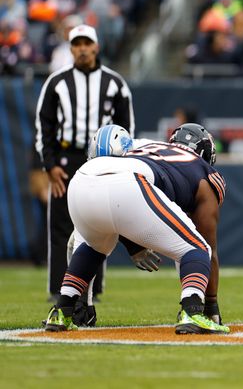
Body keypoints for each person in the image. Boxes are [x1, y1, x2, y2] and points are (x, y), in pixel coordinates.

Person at [44, 123, 228, 335]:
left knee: (95, 246)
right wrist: (211, 305)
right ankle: (192, 311)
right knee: (198, 249)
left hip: (82, 179)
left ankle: (62, 310)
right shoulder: (205, 173)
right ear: (206, 154)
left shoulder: (148, 147)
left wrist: (133, 243)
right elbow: (208, 247)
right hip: (127, 182)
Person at [35, 24, 134, 303]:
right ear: (70, 49)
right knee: (61, 225)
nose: (81, 49)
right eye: (76, 44)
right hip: (65, 160)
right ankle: (58, 288)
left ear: (96, 46)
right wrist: (50, 164)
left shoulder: (114, 83)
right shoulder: (56, 83)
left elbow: (126, 128)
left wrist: (120, 163)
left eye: (86, 43)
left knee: (99, 223)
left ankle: (94, 289)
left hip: (100, 159)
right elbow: (45, 126)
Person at [63, 124, 162, 327]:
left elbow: (123, 210)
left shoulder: (145, 159)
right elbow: (112, 211)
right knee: (77, 241)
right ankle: (82, 305)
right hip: (125, 202)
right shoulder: (95, 166)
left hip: (163, 192)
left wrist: (136, 244)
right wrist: (135, 246)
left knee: (189, 244)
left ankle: (197, 305)